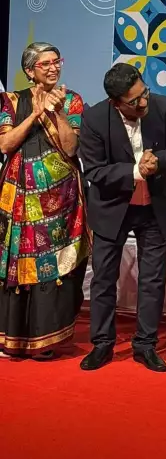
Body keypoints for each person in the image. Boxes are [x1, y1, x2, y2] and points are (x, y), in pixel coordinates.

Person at [78, 64, 166, 372]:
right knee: (104, 278)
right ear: (115, 102)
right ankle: (102, 343)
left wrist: (159, 162)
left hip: (154, 207)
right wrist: (135, 171)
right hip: (112, 208)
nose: (143, 103)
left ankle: (145, 345)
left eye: (144, 93)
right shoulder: (94, 119)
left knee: (152, 278)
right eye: (134, 101)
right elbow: (95, 170)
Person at [0, 42, 89, 358]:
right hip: (18, 198)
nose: (54, 68)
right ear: (29, 71)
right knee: (16, 263)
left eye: (57, 61)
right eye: (45, 64)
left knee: (53, 265)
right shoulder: (12, 101)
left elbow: (71, 148)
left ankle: (46, 341)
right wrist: (35, 114)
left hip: (59, 201)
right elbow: (5, 145)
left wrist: (57, 111)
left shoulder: (72, 100)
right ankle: (12, 338)